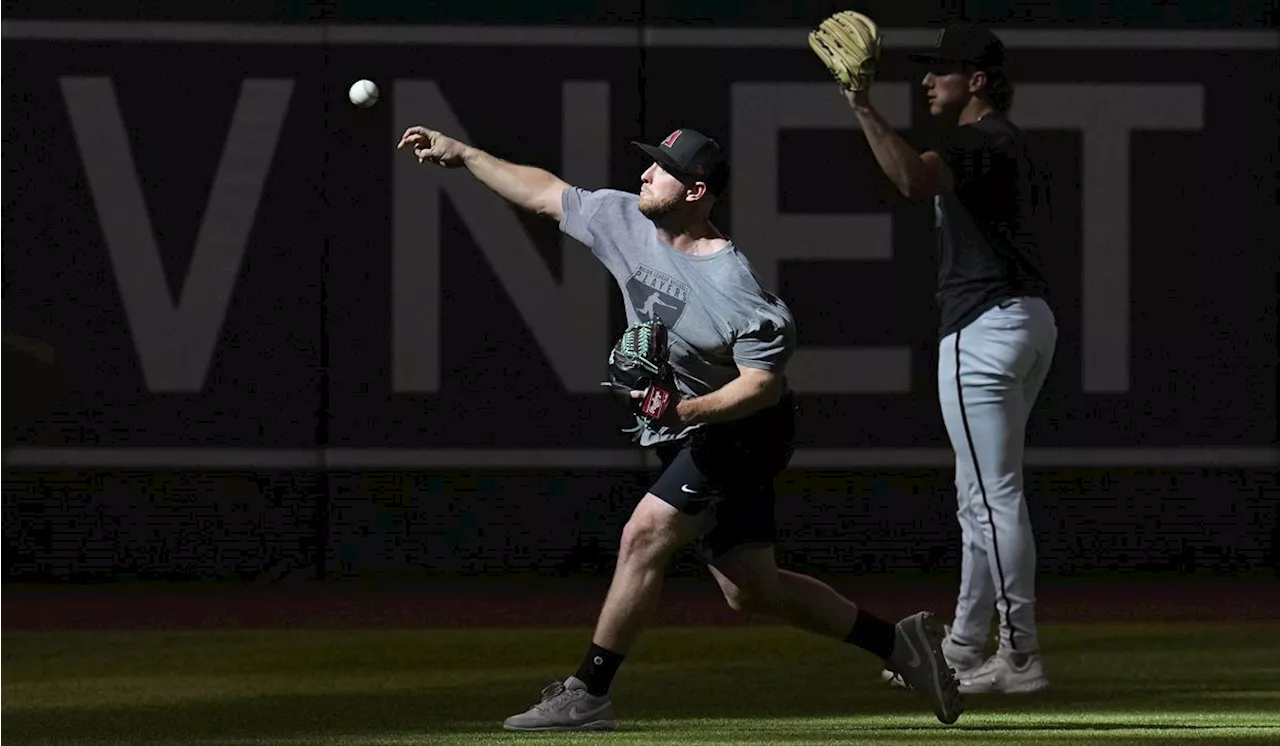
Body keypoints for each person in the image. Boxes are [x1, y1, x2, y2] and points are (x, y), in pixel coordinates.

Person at [396, 124, 963, 728]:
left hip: (743, 430)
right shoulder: (626, 222)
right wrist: (466, 153)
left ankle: (587, 693)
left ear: (695, 192)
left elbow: (760, 384)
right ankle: (901, 647)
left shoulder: (734, 288)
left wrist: (681, 411)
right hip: (694, 430)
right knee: (753, 590)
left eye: (660, 169)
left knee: (643, 536)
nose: (644, 174)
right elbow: (544, 191)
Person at [843, 23, 1057, 695]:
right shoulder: (1007, 144)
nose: (929, 80)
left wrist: (861, 106)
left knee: (993, 500)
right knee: (979, 498)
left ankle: (1019, 656)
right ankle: (964, 646)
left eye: (944, 70)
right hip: (1025, 320)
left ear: (979, 81)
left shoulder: (977, 139)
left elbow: (911, 178)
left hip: (982, 329)